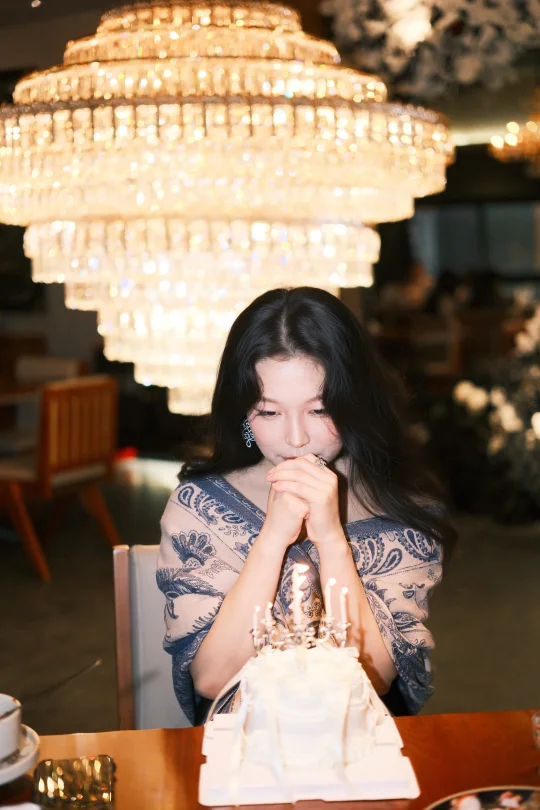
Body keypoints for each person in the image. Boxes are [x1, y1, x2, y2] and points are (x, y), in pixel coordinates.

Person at [157, 287, 455, 725]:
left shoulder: (404, 510)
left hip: (360, 746)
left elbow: (373, 677)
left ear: (354, 404)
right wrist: (273, 537)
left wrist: (332, 539)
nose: (296, 439)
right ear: (243, 414)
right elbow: (212, 678)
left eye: (319, 410)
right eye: (269, 413)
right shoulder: (200, 505)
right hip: (241, 748)